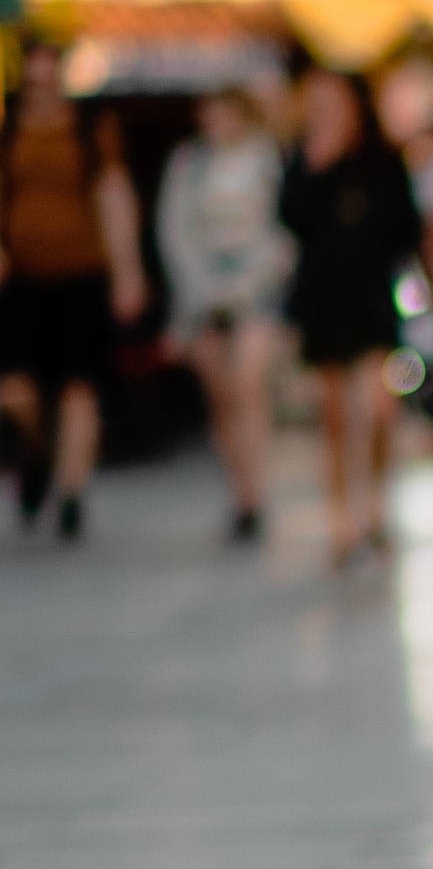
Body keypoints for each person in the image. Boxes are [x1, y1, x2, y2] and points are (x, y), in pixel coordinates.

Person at [0, 38, 149, 542]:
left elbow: (113, 197)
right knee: (18, 389)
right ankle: (35, 461)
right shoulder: (9, 128)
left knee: (77, 387)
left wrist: (128, 270)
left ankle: (70, 492)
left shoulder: (89, 129)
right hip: (23, 277)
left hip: (81, 275)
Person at [279, 67, 421, 566]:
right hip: (324, 300)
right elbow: (290, 217)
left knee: (381, 404)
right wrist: (317, 166)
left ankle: (377, 500)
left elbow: (407, 226)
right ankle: (342, 516)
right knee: (334, 415)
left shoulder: (383, 162)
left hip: (372, 299)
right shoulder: (307, 157)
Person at [158, 86, 290, 541]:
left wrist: (254, 279)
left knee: (247, 383)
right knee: (220, 396)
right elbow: (174, 229)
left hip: (257, 286)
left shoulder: (268, 159)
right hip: (204, 290)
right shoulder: (190, 164)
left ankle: (258, 487)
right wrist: (198, 286)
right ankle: (240, 492)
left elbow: (283, 226)